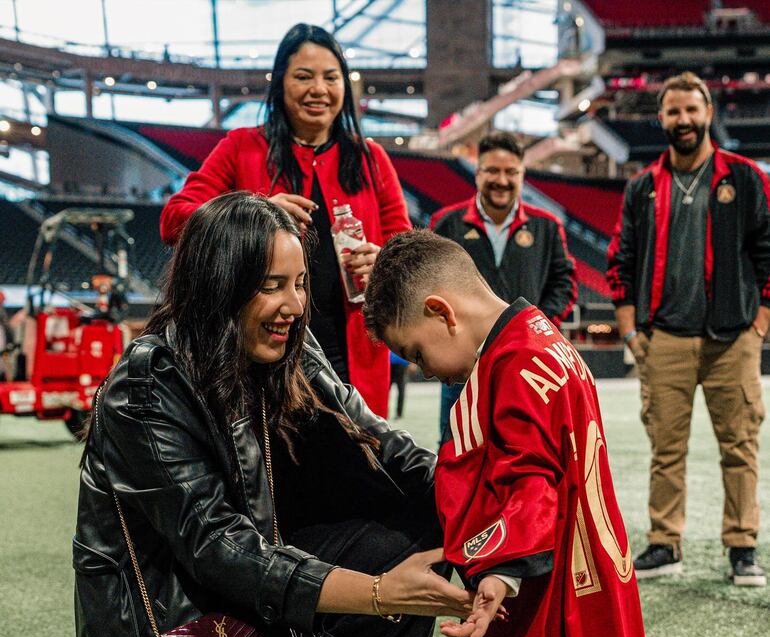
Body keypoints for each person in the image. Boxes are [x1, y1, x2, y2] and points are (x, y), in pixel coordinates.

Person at [0, 194, 472, 637]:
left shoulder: (287, 346)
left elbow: (381, 440)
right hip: (170, 636)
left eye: (299, 283)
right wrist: (381, 595)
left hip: (235, 594)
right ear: (219, 282)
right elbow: (223, 552)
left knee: (402, 540)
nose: (292, 304)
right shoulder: (145, 386)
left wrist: (497, 513)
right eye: (269, 284)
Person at [363, 230, 667, 637]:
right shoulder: (539, 333)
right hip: (580, 569)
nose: (426, 369)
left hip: (543, 577)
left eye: (416, 352)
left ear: (442, 312)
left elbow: (531, 484)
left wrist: (498, 571)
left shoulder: (509, 364)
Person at [160, 22, 410, 418]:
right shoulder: (241, 147)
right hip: (257, 358)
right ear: (279, 84)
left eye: (331, 77)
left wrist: (384, 259)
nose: (319, 89)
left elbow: (404, 248)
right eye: (303, 76)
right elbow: (174, 219)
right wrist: (254, 213)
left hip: (352, 357)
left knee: (351, 466)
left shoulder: (371, 159)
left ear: (345, 86)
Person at [607, 72, 770, 586]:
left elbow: (768, 252)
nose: (683, 121)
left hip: (732, 338)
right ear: (661, 118)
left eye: (692, 110)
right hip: (666, 338)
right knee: (666, 448)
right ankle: (664, 542)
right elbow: (621, 260)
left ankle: (742, 547)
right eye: (673, 112)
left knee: (739, 446)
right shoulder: (642, 187)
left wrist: (760, 325)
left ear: (708, 113)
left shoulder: (744, 177)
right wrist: (632, 331)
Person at [430, 130, 577, 437]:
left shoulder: (547, 226)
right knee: (457, 451)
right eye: (492, 171)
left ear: (522, 174)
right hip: (463, 365)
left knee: (524, 447)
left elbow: (564, 282)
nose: (502, 180)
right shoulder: (447, 224)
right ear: (477, 172)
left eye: (511, 172)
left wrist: (540, 326)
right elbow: (429, 285)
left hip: (527, 360)